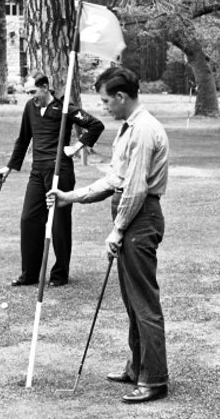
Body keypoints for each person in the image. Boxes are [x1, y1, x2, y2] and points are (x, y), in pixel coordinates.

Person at [47, 66, 169, 404]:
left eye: (105, 101)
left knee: (144, 303)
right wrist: (71, 197)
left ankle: (154, 379)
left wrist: (117, 230)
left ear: (121, 96)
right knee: (132, 302)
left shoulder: (143, 130)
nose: (103, 108)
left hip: (140, 218)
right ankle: (138, 366)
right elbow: (114, 180)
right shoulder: (128, 130)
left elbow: (135, 188)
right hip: (131, 215)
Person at [0, 72, 104, 287]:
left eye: (33, 91)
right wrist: (9, 167)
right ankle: (29, 274)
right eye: (28, 92)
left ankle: (60, 274)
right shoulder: (30, 107)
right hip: (37, 172)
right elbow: (23, 139)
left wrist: (76, 147)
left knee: (59, 224)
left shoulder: (64, 108)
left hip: (59, 171)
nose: (31, 96)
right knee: (29, 219)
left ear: (45, 87)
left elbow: (95, 125)